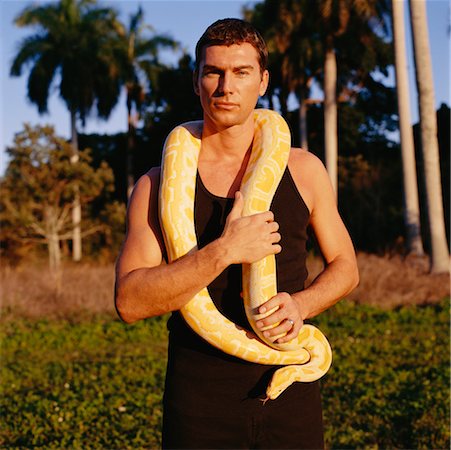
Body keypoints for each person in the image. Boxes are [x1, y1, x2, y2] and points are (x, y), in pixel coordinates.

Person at [115, 18, 359, 449]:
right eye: (213, 72)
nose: (226, 86)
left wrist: (301, 304)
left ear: (263, 81)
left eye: (242, 72)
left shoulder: (304, 170)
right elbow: (130, 302)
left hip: (290, 387)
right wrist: (223, 251)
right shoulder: (155, 185)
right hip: (199, 399)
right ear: (196, 81)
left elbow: (346, 267)